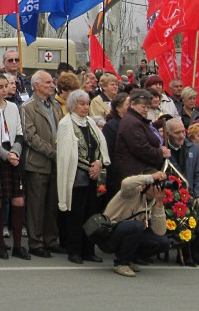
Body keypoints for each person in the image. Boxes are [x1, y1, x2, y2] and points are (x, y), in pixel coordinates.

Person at [57, 89, 109, 265]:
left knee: (91, 215)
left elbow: (101, 147)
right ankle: (74, 250)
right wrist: (90, 167)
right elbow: (66, 154)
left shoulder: (91, 123)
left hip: (93, 177)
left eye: (87, 103)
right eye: (81, 104)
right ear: (73, 105)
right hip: (76, 176)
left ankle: (89, 250)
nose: (86, 107)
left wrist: (99, 163)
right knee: (76, 215)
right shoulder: (66, 124)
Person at [0, 73, 28, 261]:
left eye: (5, 86)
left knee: (18, 200)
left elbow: (18, 132)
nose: (3, 90)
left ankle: (17, 245)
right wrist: (5, 155)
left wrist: (15, 153)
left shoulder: (13, 107)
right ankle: (0, 244)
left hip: (13, 154)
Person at [21, 70, 63, 258]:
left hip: (56, 161)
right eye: (47, 83)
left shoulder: (55, 105)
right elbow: (30, 136)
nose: (52, 85)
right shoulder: (28, 107)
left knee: (52, 203)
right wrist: (52, 152)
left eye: (51, 82)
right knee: (36, 205)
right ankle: (35, 242)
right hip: (38, 162)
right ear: (36, 85)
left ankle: (51, 239)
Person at [100, 171, 170, 277]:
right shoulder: (131, 192)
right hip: (108, 234)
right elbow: (125, 183)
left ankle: (130, 259)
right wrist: (151, 177)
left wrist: (160, 204)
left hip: (128, 233)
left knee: (163, 242)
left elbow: (159, 231)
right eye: (155, 184)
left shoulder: (153, 201)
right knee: (136, 226)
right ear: (145, 184)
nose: (158, 187)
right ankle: (121, 263)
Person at [165, 118, 199, 266]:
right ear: (167, 135)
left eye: (183, 132)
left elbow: (198, 176)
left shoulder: (193, 148)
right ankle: (184, 252)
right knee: (180, 214)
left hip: (190, 193)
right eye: (176, 133)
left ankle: (195, 250)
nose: (181, 136)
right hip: (172, 194)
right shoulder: (164, 149)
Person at [112, 89, 169, 185]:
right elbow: (141, 148)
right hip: (135, 173)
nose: (146, 110)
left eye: (148, 107)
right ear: (133, 104)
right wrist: (160, 153)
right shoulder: (132, 122)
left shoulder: (136, 119)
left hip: (140, 171)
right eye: (143, 107)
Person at [102, 92, 129, 198]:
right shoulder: (111, 126)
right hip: (117, 175)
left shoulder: (135, 124)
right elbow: (109, 152)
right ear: (118, 108)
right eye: (128, 104)